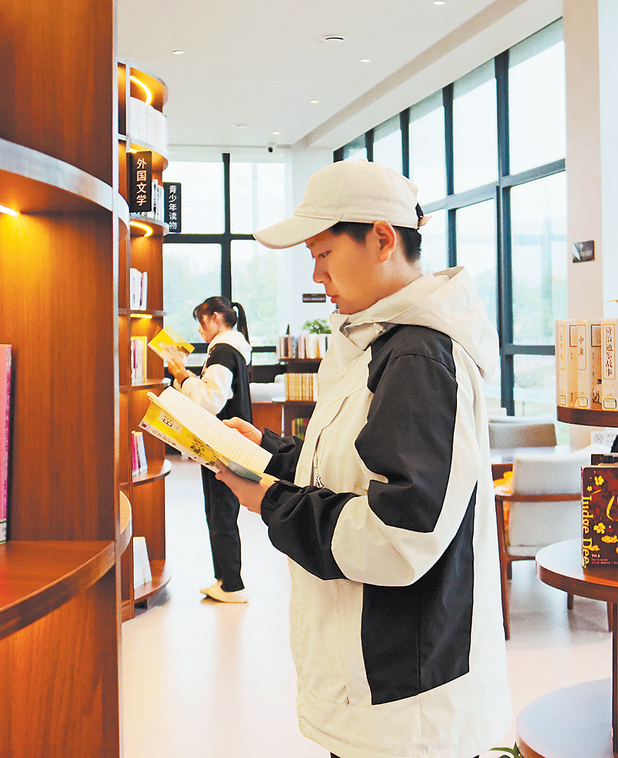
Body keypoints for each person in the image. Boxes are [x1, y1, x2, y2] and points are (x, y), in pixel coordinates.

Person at [214, 160, 511, 758]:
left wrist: (272, 502)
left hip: (406, 702)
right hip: (378, 689)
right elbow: (353, 466)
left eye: (324, 252)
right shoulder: (381, 344)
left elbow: (400, 532)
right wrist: (271, 455)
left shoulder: (418, 357)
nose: (317, 272)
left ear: (381, 238)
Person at [166, 296, 254, 604]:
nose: (201, 332)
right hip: (230, 442)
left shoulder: (222, 350)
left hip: (221, 443)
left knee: (220, 512)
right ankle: (225, 579)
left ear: (215, 318)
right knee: (221, 510)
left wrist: (182, 377)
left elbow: (211, 401)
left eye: (201, 324)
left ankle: (232, 584)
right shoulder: (236, 348)